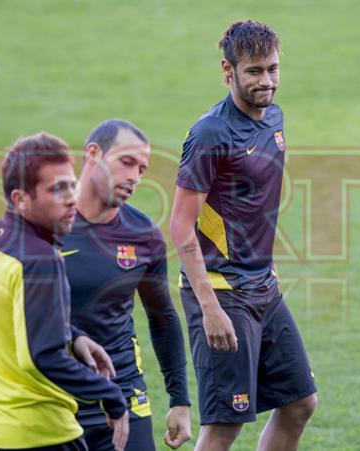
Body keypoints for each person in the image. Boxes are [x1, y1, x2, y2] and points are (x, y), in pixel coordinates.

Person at [170, 21, 318, 451]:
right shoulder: (211, 133)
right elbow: (180, 224)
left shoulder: (275, 116)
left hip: (263, 287)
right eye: (253, 71)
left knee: (299, 403)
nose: (266, 81)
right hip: (222, 292)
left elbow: (251, 203)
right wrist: (209, 307)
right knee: (223, 427)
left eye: (272, 69)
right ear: (227, 70)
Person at [0, 132, 129, 451]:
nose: (71, 198)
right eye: (56, 189)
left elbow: (9, 314)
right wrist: (112, 397)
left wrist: (74, 335)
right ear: (21, 199)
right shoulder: (41, 259)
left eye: (71, 185)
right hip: (38, 434)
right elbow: (42, 356)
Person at [60, 119, 192, 450]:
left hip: (123, 396)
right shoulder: (45, 225)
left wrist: (180, 400)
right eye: (126, 162)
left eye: (142, 169)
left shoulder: (143, 235)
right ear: (93, 153)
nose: (134, 176)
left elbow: (163, 317)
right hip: (54, 399)